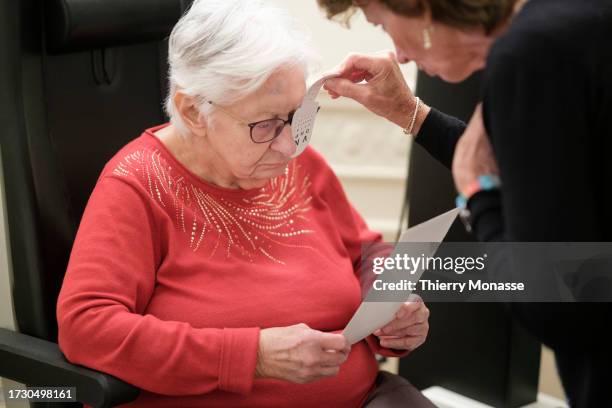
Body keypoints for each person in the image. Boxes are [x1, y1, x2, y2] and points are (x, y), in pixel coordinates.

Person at [56, 0, 436, 407]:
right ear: (194, 112)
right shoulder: (136, 185)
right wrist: (251, 357)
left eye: (299, 115)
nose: (290, 144)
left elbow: (367, 251)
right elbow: (87, 327)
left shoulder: (298, 162)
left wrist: (391, 299)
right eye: (266, 124)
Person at [317, 0, 612, 407]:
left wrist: (478, 195)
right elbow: (540, 174)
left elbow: (550, 306)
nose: (399, 55)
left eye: (380, 23)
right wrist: (411, 114)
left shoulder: (529, 54)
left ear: (419, 7)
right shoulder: (577, 21)